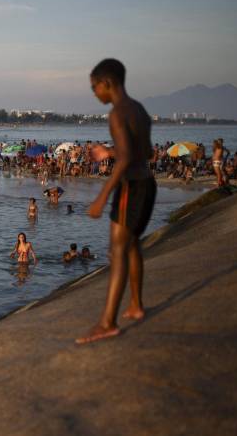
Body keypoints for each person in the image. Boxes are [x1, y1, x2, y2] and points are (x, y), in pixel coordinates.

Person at [76, 58, 157, 345]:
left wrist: (101, 197)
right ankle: (135, 304)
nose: (94, 93)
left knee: (117, 250)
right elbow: (144, 152)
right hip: (147, 183)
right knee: (132, 243)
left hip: (130, 188)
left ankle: (107, 322)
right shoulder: (139, 110)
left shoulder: (117, 113)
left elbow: (125, 160)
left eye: (94, 87)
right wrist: (110, 152)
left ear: (107, 83)